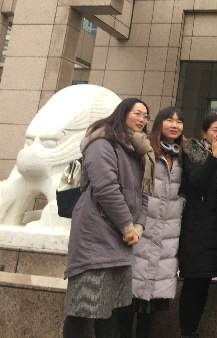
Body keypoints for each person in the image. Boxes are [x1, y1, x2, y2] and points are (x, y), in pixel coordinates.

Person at [63, 98, 153, 338]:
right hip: (96, 236)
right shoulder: (102, 143)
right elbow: (106, 188)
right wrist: (127, 227)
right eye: (137, 113)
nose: (142, 119)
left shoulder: (136, 152)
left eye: (146, 116)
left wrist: (138, 227)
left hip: (120, 239)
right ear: (122, 113)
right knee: (81, 307)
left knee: (110, 309)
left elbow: (144, 194)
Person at [117, 107, 186, 338]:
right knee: (129, 294)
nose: (174, 125)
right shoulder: (143, 149)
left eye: (179, 122)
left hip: (167, 234)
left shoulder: (183, 156)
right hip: (141, 229)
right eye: (169, 120)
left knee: (150, 299)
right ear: (158, 123)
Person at [178, 115, 217, 338]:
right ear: (204, 133)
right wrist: (214, 155)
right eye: (215, 129)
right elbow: (198, 183)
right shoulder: (193, 154)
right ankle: (186, 332)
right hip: (196, 230)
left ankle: (192, 331)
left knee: (204, 284)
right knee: (193, 283)